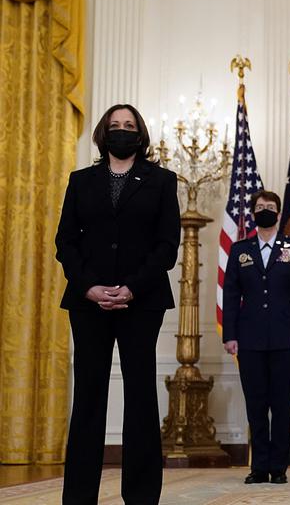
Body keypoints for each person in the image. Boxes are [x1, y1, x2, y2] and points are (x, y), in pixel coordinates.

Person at [55, 103, 180, 504]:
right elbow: (66, 243)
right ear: (103, 133)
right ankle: (78, 496)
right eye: (115, 125)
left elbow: (167, 246)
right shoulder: (81, 180)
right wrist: (90, 286)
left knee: (140, 394)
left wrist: (131, 288)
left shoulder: (162, 181)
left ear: (140, 134)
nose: (122, 131)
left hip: (141, 302)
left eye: (129, 125)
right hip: (87, 301)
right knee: (89, 395)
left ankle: (142, 496)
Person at [222, 190, 290, 484]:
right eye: (259, 207)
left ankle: (279, 467)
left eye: (269, 207)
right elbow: (232, 295)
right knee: (256, 404)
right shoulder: (240, 250)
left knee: (281, 404)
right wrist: (230, 335)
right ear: (252, 212)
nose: (264, 211)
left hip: (286, 338)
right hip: (249, 340)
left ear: (278, 212)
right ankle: (259, 466)